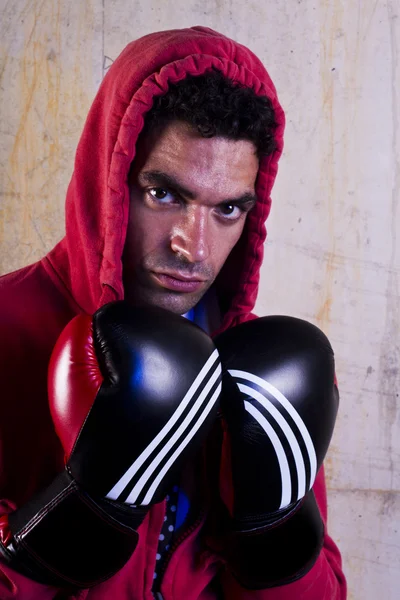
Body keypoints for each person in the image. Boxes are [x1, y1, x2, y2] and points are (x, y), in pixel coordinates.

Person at [0, 26, 346, 599]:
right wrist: (78, 515)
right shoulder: (8, 327)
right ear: (109, 181)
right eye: (165, 195)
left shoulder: (271, 371)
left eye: (228, 208)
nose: (194, 247)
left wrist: (276, 531)